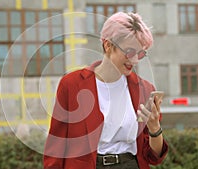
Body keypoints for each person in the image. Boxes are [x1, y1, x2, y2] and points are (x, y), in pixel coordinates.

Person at [43, 12, 168, 169]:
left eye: (140, 53)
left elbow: (153, 157)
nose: (135, 60)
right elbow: (57, 146)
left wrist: (154, 127)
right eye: (129, 52)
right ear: (108, 45)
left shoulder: (145, 89)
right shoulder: (71, 85)